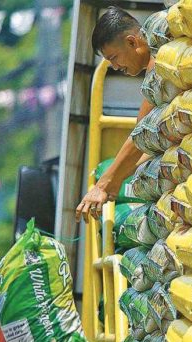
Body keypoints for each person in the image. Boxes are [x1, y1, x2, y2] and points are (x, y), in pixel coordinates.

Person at [76, 6, 155, 223]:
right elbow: (150, 144)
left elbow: (143, 134)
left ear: (132, 42)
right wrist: (117, 177)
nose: (114, 66)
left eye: (114, 57)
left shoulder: (161, 62)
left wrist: (104, 184)